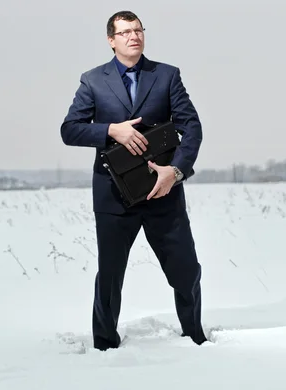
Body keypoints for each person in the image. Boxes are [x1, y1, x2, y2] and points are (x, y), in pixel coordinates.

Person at [60, 10, 206, 351]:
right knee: (109, 277)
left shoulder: (167, 76)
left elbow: (192, 128)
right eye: (125, 32)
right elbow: (70, 129)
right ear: (111, 40)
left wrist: (177, 171)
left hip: (164, 191)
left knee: (186, 269)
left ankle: (195, 336)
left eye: (138, 30)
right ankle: (105, 345)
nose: (133, 36)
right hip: (113, 195)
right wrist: (112, 130)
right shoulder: (93, 80)